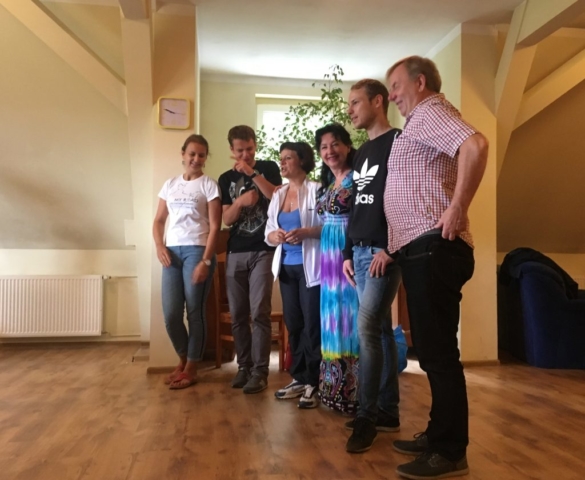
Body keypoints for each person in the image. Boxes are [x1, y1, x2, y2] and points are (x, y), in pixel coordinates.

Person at [384, 56, 488, 479]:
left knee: (438, 355)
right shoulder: (420, 122)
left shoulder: (430, 112)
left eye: (395, 86)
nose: (392, 95)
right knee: (431, 353)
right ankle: (438, 433)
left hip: (434, 247)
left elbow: (476, 145)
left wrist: (458, 206)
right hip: (421, 248)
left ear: (420, 82)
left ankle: (449, 451)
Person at [342, 79, 403, 453]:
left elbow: (407, 198)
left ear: (378, 102)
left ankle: (366, 417)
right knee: (379, 331)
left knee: (365, 329)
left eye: (355, 102)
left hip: (383, 253)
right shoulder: (363, 151)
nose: (349, 109)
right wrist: (348, 252)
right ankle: (388, 412)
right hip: (362, 253)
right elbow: (356, 205)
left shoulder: (398, 142)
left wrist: (392, 249)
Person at [153, 134, 221, 389]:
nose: (196, 158)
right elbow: (159, 220)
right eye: (192, 153)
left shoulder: (209, 185)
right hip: (171, 252)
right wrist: (159, 246)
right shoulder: (170, 184)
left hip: (197, 250)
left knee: (195, 311)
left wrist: (205, 261)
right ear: (183, 154)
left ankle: (192, 367)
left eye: (201, 155)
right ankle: (182, 360)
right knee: (171, 314)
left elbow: (215, 226)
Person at [218, 125, 282, 394]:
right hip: (236, 251)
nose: (245, 155)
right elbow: (226, 218)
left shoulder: (268, 167)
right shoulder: (225, 178)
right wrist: (240, 202)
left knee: (259, 312)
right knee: (238, 314)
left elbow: (276, 196)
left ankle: (260, 372)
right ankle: (243, 367)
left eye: (250, 149)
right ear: (231, 150)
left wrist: (253, 174)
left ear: (255, 145)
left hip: (263, 249)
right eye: (240, 150)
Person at [265, 142, 323, 409]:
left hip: (311, 268)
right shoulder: (278, 194)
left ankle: (314, 380)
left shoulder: (317, 190)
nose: (283, 163)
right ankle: (299, 377)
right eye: (281, 158)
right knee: (294, 323)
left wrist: (306, 232)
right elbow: (268, 232)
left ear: (302, 160)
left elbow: (330, 226)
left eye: (288, 158)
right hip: (286, 268)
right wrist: (274, 235)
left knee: (312, 324)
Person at [315, 123, 360, 415]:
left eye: (335, 144)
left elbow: (361, 217)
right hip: (328, 260)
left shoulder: (357, 178)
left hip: (348, 253)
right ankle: (334, 390)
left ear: (347, 145)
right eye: (324, 147)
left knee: (350, 317)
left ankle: (356, 394)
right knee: (332, 317)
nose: (330, 151)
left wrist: (351, 253)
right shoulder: (330, 182)